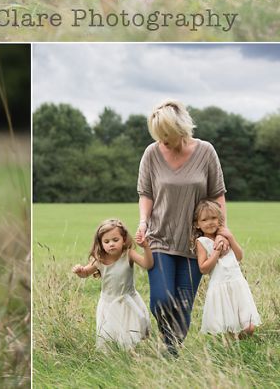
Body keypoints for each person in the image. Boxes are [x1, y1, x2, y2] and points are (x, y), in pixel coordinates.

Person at [136, 99, 228, 352]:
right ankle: (169, 341)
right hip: (159, 238)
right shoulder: (152, 153)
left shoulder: (206, 151)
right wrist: (143, 221)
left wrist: (222, 232)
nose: (162, 140)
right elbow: (145, 193)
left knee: (184, 303)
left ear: (181, 129)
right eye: (158, 135)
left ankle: (171, 351)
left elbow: (217, 195)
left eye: (167, 134)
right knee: (162, 299)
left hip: (196, 241)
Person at [72, 218, 153, 350]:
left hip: (128, 301)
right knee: (110, 332)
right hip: (109, 303)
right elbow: (85, 273)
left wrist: (146, 247)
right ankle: (113, 355)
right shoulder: (99, 259)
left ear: (124, 239)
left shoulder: (128, 254)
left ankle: (130, 355)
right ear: (101, 243)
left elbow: (147, 264)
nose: (111, 244)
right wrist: (79, 270)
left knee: (129, 332)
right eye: (107, 241)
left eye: (115, 240)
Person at [192, 199, 261, 337]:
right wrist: (216, 252)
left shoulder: (225, 236)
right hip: (220, 287)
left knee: (249, 327)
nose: (210, 222)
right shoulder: (201, 242)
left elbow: (239, 256)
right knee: (229, 327)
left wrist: (230, 237)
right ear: (197, 224)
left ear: (220, 219)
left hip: (238, 285)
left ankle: (241, 340)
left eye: (213, 218)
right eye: (205, 220)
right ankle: (233, 350)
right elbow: (203, 268)